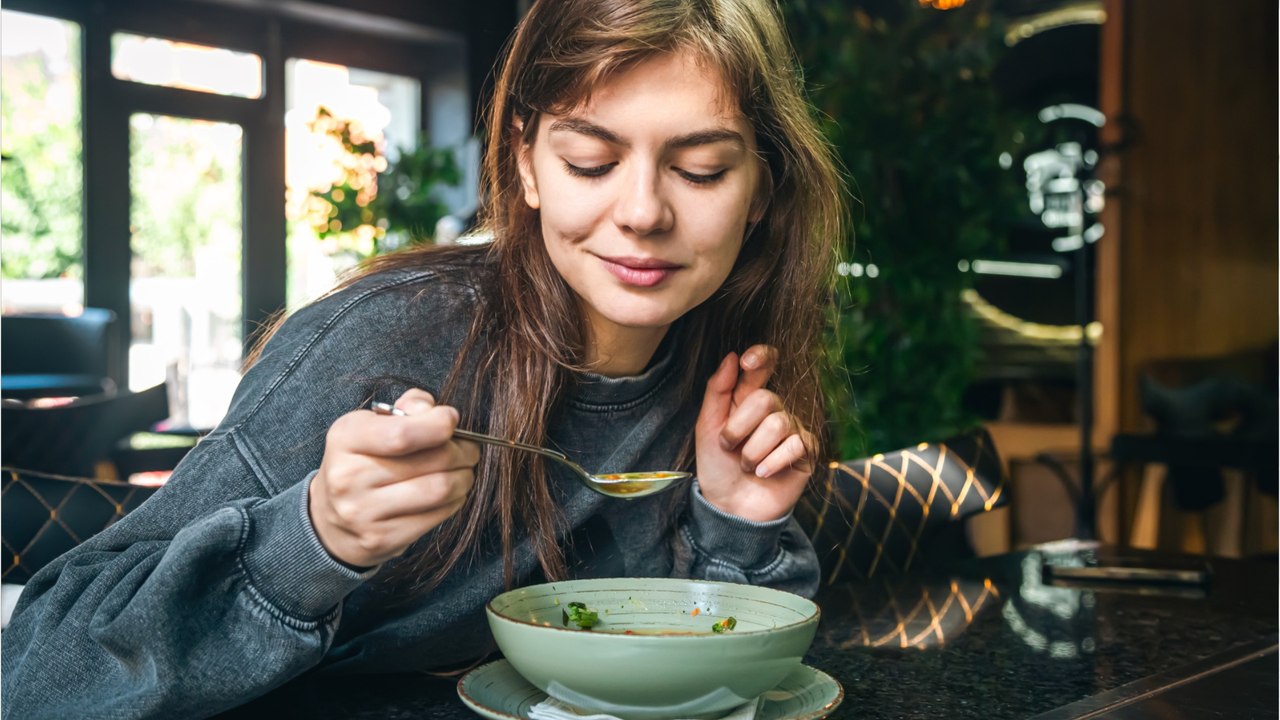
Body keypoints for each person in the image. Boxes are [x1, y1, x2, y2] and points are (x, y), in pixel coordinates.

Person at [1, 0, 845, 716]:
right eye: (591, 160)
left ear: (762, 188)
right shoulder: (386, 344)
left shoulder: (724, 369)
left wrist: (737, 521)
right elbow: (36, 675)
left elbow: (718, 686)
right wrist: (314, 536)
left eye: (699, 171)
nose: (642, 212)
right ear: (527, 162)